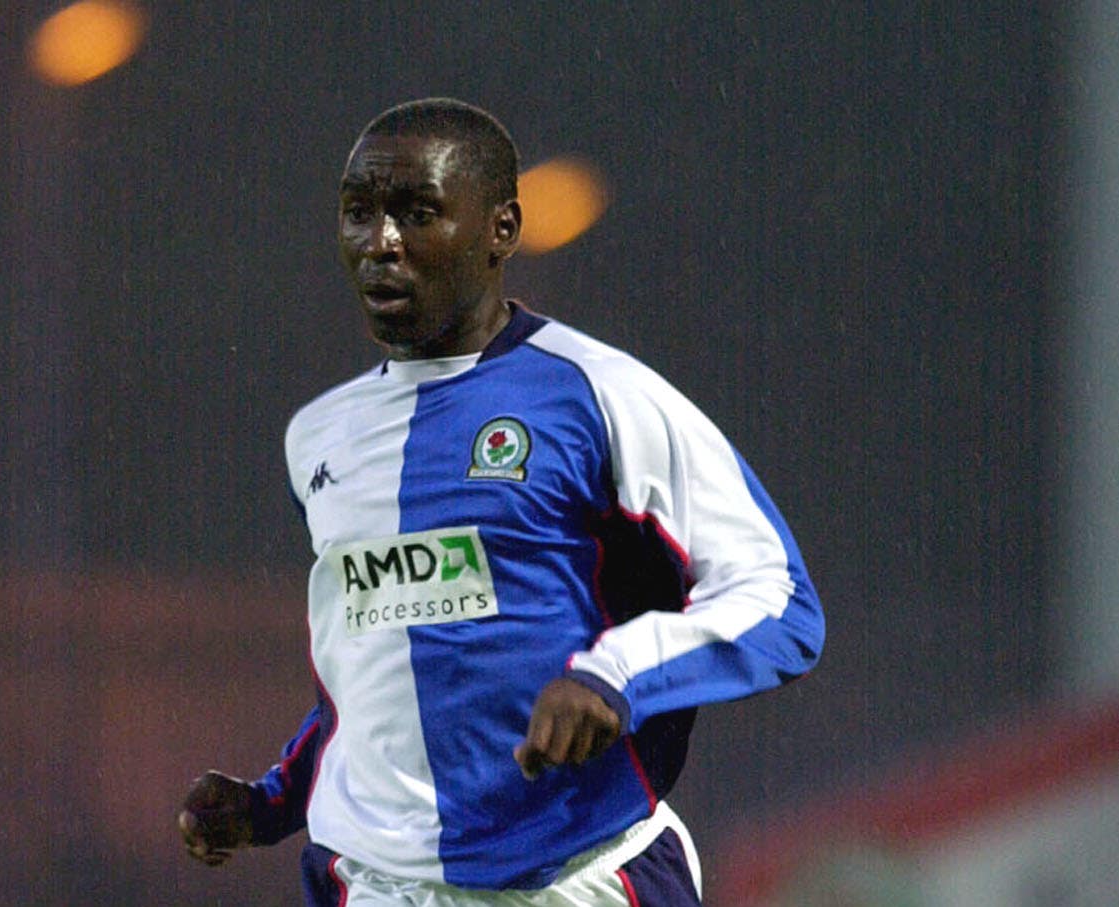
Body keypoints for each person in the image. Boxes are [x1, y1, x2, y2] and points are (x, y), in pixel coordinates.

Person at [178, 97, 824, 906]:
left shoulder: (601, 393)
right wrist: (271, 799)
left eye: (416, 213)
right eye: (358, 213)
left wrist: (614, 678)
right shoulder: (320, 435)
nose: (380, 243)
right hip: (375, 885)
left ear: (501, 231)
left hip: (578, 875)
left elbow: (780, 599)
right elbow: (378, 667)